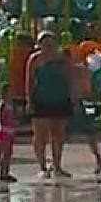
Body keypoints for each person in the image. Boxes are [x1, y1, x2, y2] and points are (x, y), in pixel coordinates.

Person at [25, 31, 73, 179]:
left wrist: (73, 97)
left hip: (60, 99)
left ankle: (57, 166)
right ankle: (42, 166)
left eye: (51, 44)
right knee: (40, 135)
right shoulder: (35, 59)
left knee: (58, 134)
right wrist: (29, 100)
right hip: (41, 100)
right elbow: (29, 80)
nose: (48, 47)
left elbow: (69, 76)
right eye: (44, 44)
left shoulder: (62, 58)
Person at [0, 87, 17, 185]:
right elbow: (1, 118)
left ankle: (6, 172)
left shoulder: (10, 105)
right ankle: (2, 173)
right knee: (4, 152)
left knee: (9, 153)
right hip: (4, 130)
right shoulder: (2, 104)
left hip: (10, 130)